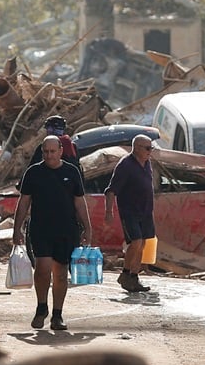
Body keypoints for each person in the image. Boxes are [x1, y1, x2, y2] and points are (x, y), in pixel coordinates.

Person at [13, 135, 92, 331]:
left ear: (60, 151)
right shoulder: (34, 172)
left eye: (52, 152)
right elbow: (24, 202)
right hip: (41, 228)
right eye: (45, 152)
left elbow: (80, 202)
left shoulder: (71, 172)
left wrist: (88, 228)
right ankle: (41, 308)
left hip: (67, 229)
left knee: (61, 274)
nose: (49, 156)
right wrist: (17, 228)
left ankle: (57, 315)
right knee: (42, 269)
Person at [104, 134, 156, 293]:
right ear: (137, 148)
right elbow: (111, 191)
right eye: (147, 148)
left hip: (146, 211)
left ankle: (134, 277)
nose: (150, 151)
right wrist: (109, 211)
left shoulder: (147, 163)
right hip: (130, 211)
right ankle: (125, 274)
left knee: (143, 244)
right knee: (136, 241)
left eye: (151, 148)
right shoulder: (125, 165)